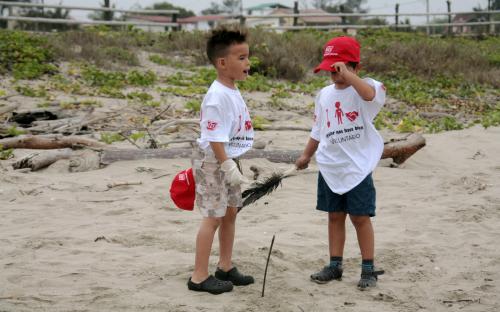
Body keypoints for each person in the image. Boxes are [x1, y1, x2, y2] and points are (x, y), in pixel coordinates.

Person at [295, 36, 386, 290]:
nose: (334, 75)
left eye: (339, 69)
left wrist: (348, 73)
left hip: (356, 168)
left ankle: (368, 268)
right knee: (334, 216)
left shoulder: (366, 88)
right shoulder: (324, 94)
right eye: (330, 70)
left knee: (360, 217)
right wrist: (306, 155)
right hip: (330, 166)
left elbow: (369, 95)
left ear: (355, 66)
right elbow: (317, 129)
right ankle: (335, 265)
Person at [187, 26, 255, 295]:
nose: (247, 63)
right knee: (212, 217)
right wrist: (227, 165)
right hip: (213, 162)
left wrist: (232, 163)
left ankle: (225, 266)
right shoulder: (216, 95)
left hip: (229, 158)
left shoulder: (232, 89)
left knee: (230, 213)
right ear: (222, 63)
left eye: (248, 57)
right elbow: (214, 137)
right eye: (241, 58)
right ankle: (199, 276)